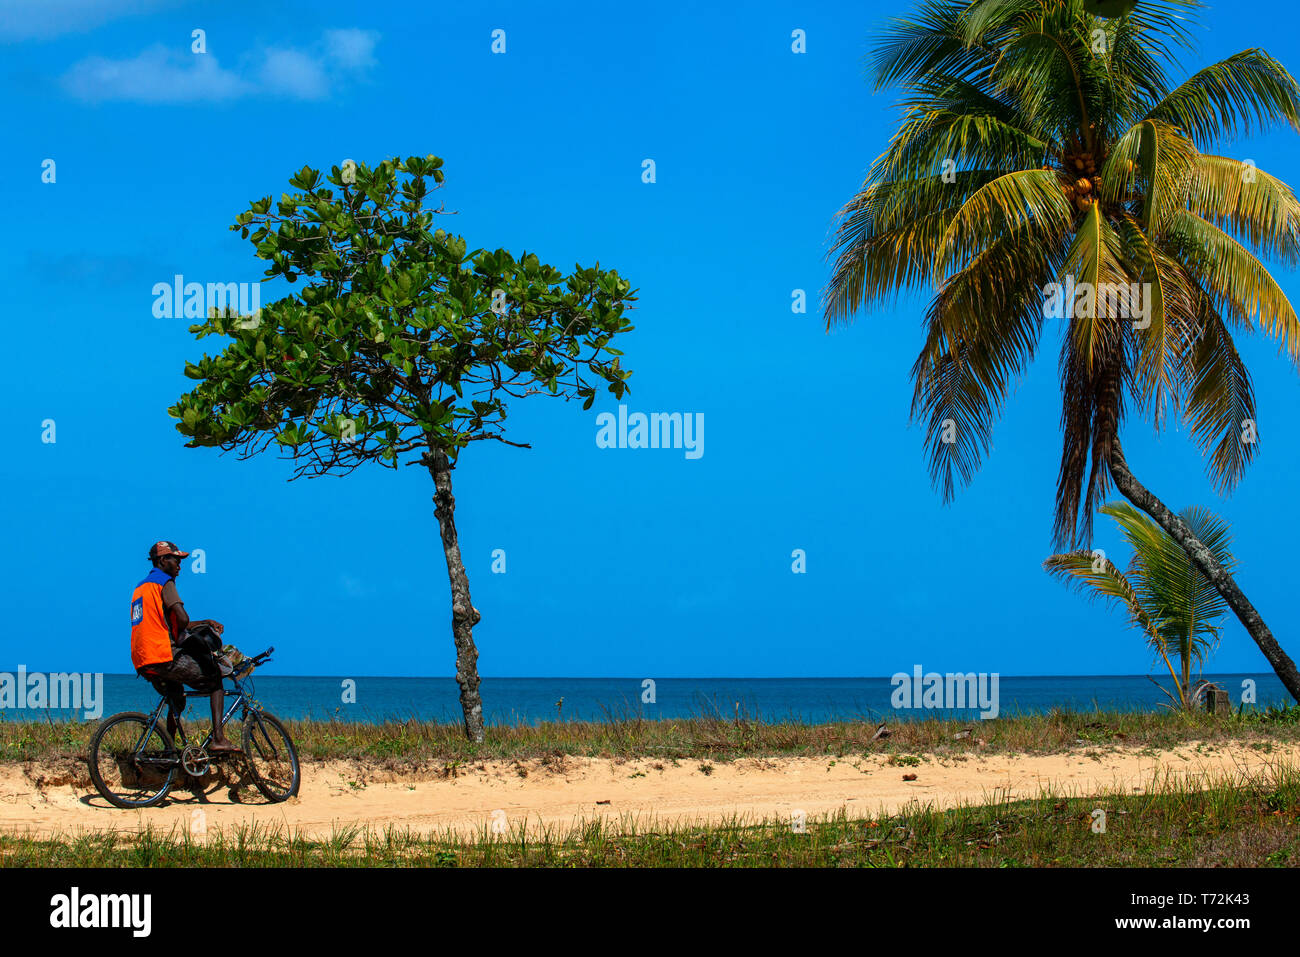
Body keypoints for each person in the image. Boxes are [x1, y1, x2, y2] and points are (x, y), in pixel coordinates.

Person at [129, 541, 239, 752]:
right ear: (162, 561)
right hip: (163, 654)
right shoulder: (165, 582)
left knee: (176, 697)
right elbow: (181, 617)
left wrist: (203, 621)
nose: (180, 565)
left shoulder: (141, 588)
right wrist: (196, 632)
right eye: (176, 560)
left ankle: (170, 750)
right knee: (215, 678)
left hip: (143, 658)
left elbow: (167, 623)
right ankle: (218, 739)